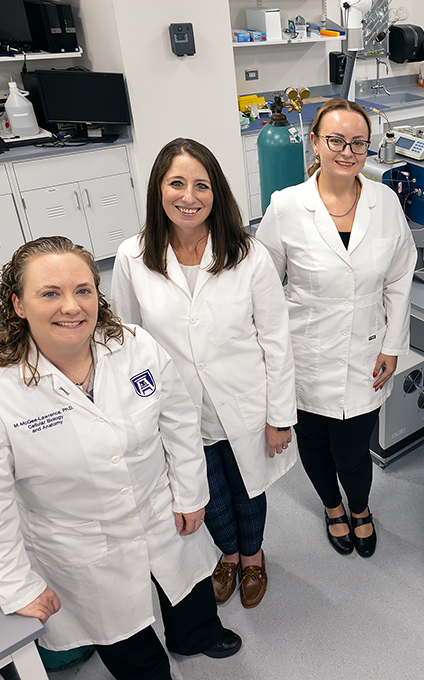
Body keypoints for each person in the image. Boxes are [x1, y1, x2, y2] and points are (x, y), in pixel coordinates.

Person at [0, 236, 242, 680]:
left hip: (161, 510)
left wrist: (189, 493)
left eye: (83, 290)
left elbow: (180, 420)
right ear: (18, 305)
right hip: (79, 542)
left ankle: (196, 634)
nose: (71, 306)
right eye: (50, 293)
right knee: (122, 633)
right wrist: (15, 585)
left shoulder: (133, 345)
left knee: (188, 586)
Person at [111, 138, 296, 609]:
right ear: (158, 189)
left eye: (201, 185)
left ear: (217, 193)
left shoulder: (249, 254)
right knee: (206, 493)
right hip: (176, 409)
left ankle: (253, 558)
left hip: (244, 402)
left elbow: (276, 339)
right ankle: (228, 556)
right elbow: (125, 341)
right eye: (176, 183)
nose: (188, 196)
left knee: (248, 488)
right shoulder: (132, 257)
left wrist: (281, 416)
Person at [255, 99, 417, 558]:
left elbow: (401, 276)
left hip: (367, 350)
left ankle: (360, 507)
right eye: (336, 140)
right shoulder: (286, 206)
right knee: (313, 439)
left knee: (352, 448)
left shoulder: (384, 201)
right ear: (316, 143)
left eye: (358, 143)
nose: (347, 151)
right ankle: (332, 506)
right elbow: (264, 284)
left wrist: (392, 344)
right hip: (305, 350)